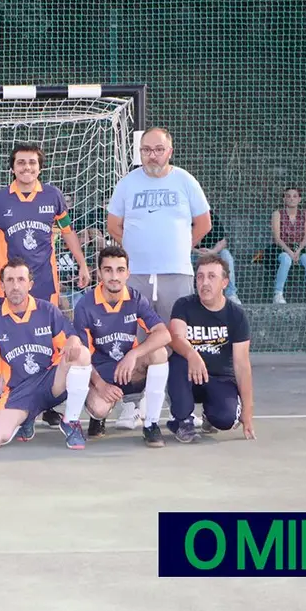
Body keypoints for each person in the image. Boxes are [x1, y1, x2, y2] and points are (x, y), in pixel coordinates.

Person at [0, 143, 91, 430]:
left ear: (40, 167)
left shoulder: (52, 196)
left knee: (49, 347)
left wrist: (83, 264)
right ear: (12, 168)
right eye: (20, 163)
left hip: (45, 286)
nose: (26, 168)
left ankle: (46, 404)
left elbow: (67, 232)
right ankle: (17, 403)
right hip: (12, 290)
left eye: (31, 163)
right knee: (11, 347)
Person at [106, 127, 212, 430]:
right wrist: (140, 245)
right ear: (139, 152)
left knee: (177, 339)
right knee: (134, 338)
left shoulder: (185, 181)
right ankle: (132, 405)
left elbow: (203, 223)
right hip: (137, 274)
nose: (152, 155)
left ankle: (181, 406)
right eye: (146, 149)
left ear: (170, 151)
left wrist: (179, 247)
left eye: (158, 149)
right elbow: (114, 225)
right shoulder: (128, 183)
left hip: (176, 273)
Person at [0, 257, 93, 450]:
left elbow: (70, 342)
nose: (15, 286)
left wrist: (73, 339)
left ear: (30, 284)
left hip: (51, 382)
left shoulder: (47, 311)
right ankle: (25, 420)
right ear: (2, 285)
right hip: (18, 391)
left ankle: (71, 422)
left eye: (21, 280)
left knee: (82, 354)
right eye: (10, 280)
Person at [73, 246, 172, 447]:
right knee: (98, 408)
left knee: (159, 353)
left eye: (120, 270)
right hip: (101, 372)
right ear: (99, 273)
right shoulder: (85, 304)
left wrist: (134, 354)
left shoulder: (135, 299)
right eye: (108, 270)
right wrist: (100, 385)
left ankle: (151, 424)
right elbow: (81, 355)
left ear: (128, 273)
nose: (114, 276)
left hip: (130, 369)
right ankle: (98, 418)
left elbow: (164, 334)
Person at [166, 252, 256, 443]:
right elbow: (175, 337)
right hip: (189, 375)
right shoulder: (184, 305)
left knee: (226, 420)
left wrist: (248, 412)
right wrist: (192, 354)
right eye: (200, 277)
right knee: (178, 360)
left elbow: (242, 365)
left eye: (211, 277)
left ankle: (211, 414)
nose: (205, 282)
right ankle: (181, 420)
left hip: (219, 378)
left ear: (225, 282)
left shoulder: (236, 315)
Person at [270, 186, 306, 304]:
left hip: (300, 247)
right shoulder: (277, 214)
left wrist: (297, 251)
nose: (291, 199)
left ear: (299, 199)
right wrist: (290, 252)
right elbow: (277, 238)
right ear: (284, 199)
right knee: (286, 259)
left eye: (295, 196)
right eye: (288, 196)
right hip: (282, 248)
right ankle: (278, 294)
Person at [193, 218, 241, 305]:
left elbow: (223, 241)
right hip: (194, 253)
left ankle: (231, 294)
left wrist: (213, 251)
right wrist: (196, 251)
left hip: (212, 252)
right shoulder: (186, 219)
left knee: (225, 254)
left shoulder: (211, 217)